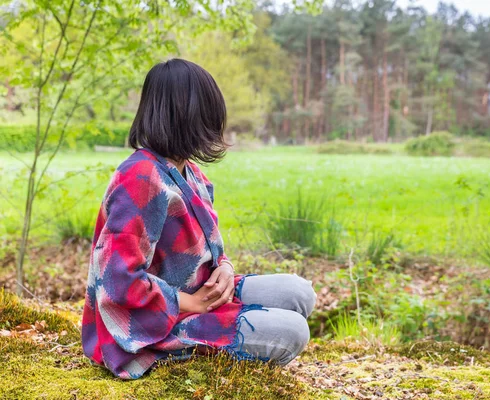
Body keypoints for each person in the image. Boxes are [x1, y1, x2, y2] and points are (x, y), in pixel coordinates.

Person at [81, 58, 317, 379]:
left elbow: (212, 251)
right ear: (188, 114)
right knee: (292, 332)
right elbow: (119, 281)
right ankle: (192, 356)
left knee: (299, 292)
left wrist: (224, 269)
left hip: (201, 294)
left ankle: (227, 334)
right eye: (209, 113)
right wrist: (189, 303)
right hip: (154, 322)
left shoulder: (192, 174)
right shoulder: (139, 178)